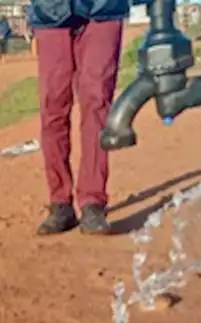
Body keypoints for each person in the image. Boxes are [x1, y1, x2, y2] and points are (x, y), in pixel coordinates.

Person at [29, 0, 127, 235]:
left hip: (103, 9)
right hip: (50, 11)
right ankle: (60, 202)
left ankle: (93, 202)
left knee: (97, 100)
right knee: (53, 106)